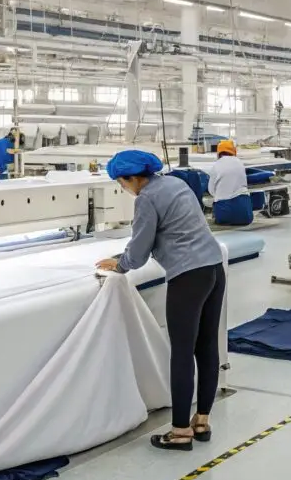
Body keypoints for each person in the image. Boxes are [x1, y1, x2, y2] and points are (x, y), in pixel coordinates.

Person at [95, 150, 226, 452]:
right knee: (206, 347)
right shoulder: (176, 183)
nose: (123, 190)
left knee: (181, 352)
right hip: (213, 268)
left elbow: (139, 251)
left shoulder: (146, 198)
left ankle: (180, 431)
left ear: (131, 178)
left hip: (188, 275)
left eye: (121, 184)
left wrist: (120, 263)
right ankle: (201, 422)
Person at [208, 140, 253, 226]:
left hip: (225, 214)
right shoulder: (240, 163)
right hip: (245, 215)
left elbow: (211, 190)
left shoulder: (217, 165)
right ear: (234, 151)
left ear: (219, 153)